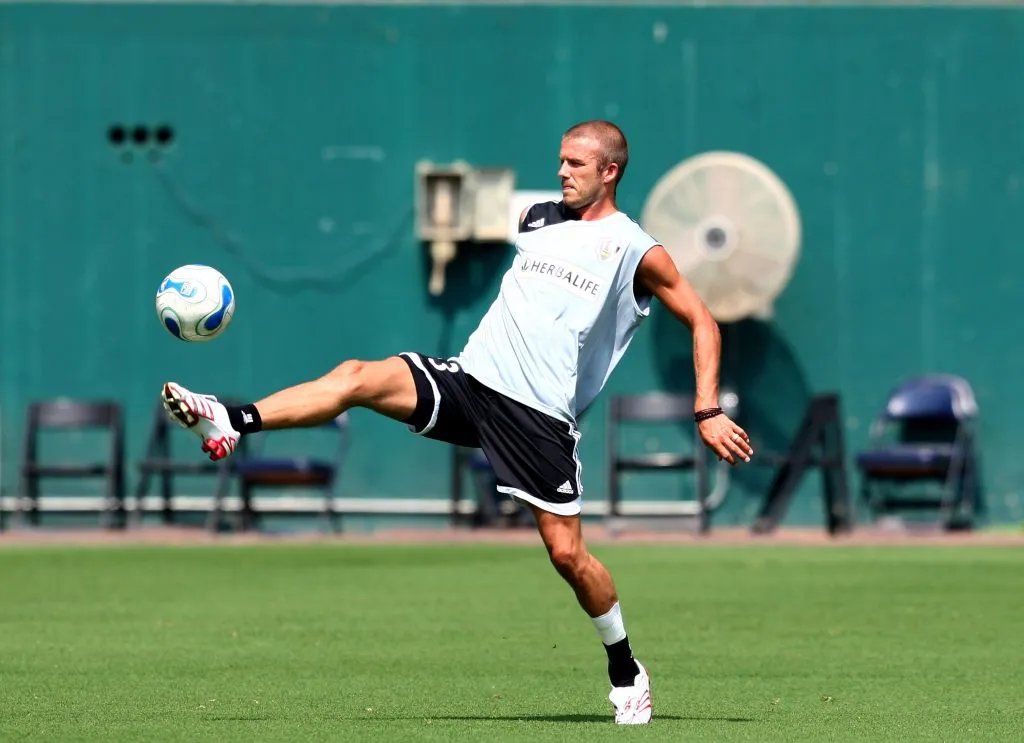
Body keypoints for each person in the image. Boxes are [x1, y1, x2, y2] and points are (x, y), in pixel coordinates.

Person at [160, 119, 753, 725]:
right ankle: (231, 420)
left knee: (568, 558)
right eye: (560, 160)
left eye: (576, 164)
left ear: (610, 172)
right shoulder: (539, 219)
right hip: (471, 382)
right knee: (358, 377)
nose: (561, 172)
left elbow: (703, 322)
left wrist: (706, 410)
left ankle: (625, 667)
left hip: (539, 418)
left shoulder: (634, 248)